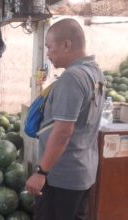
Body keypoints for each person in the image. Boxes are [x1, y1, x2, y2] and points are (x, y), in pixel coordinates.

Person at [25, 18, 105, 220]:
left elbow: (63, 132)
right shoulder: (95, 72)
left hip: (61, 176)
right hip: (82, 173)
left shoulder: (72, 77)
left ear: (67, 44)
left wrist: (41, 172)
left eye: (50, 47)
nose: (48, 54)